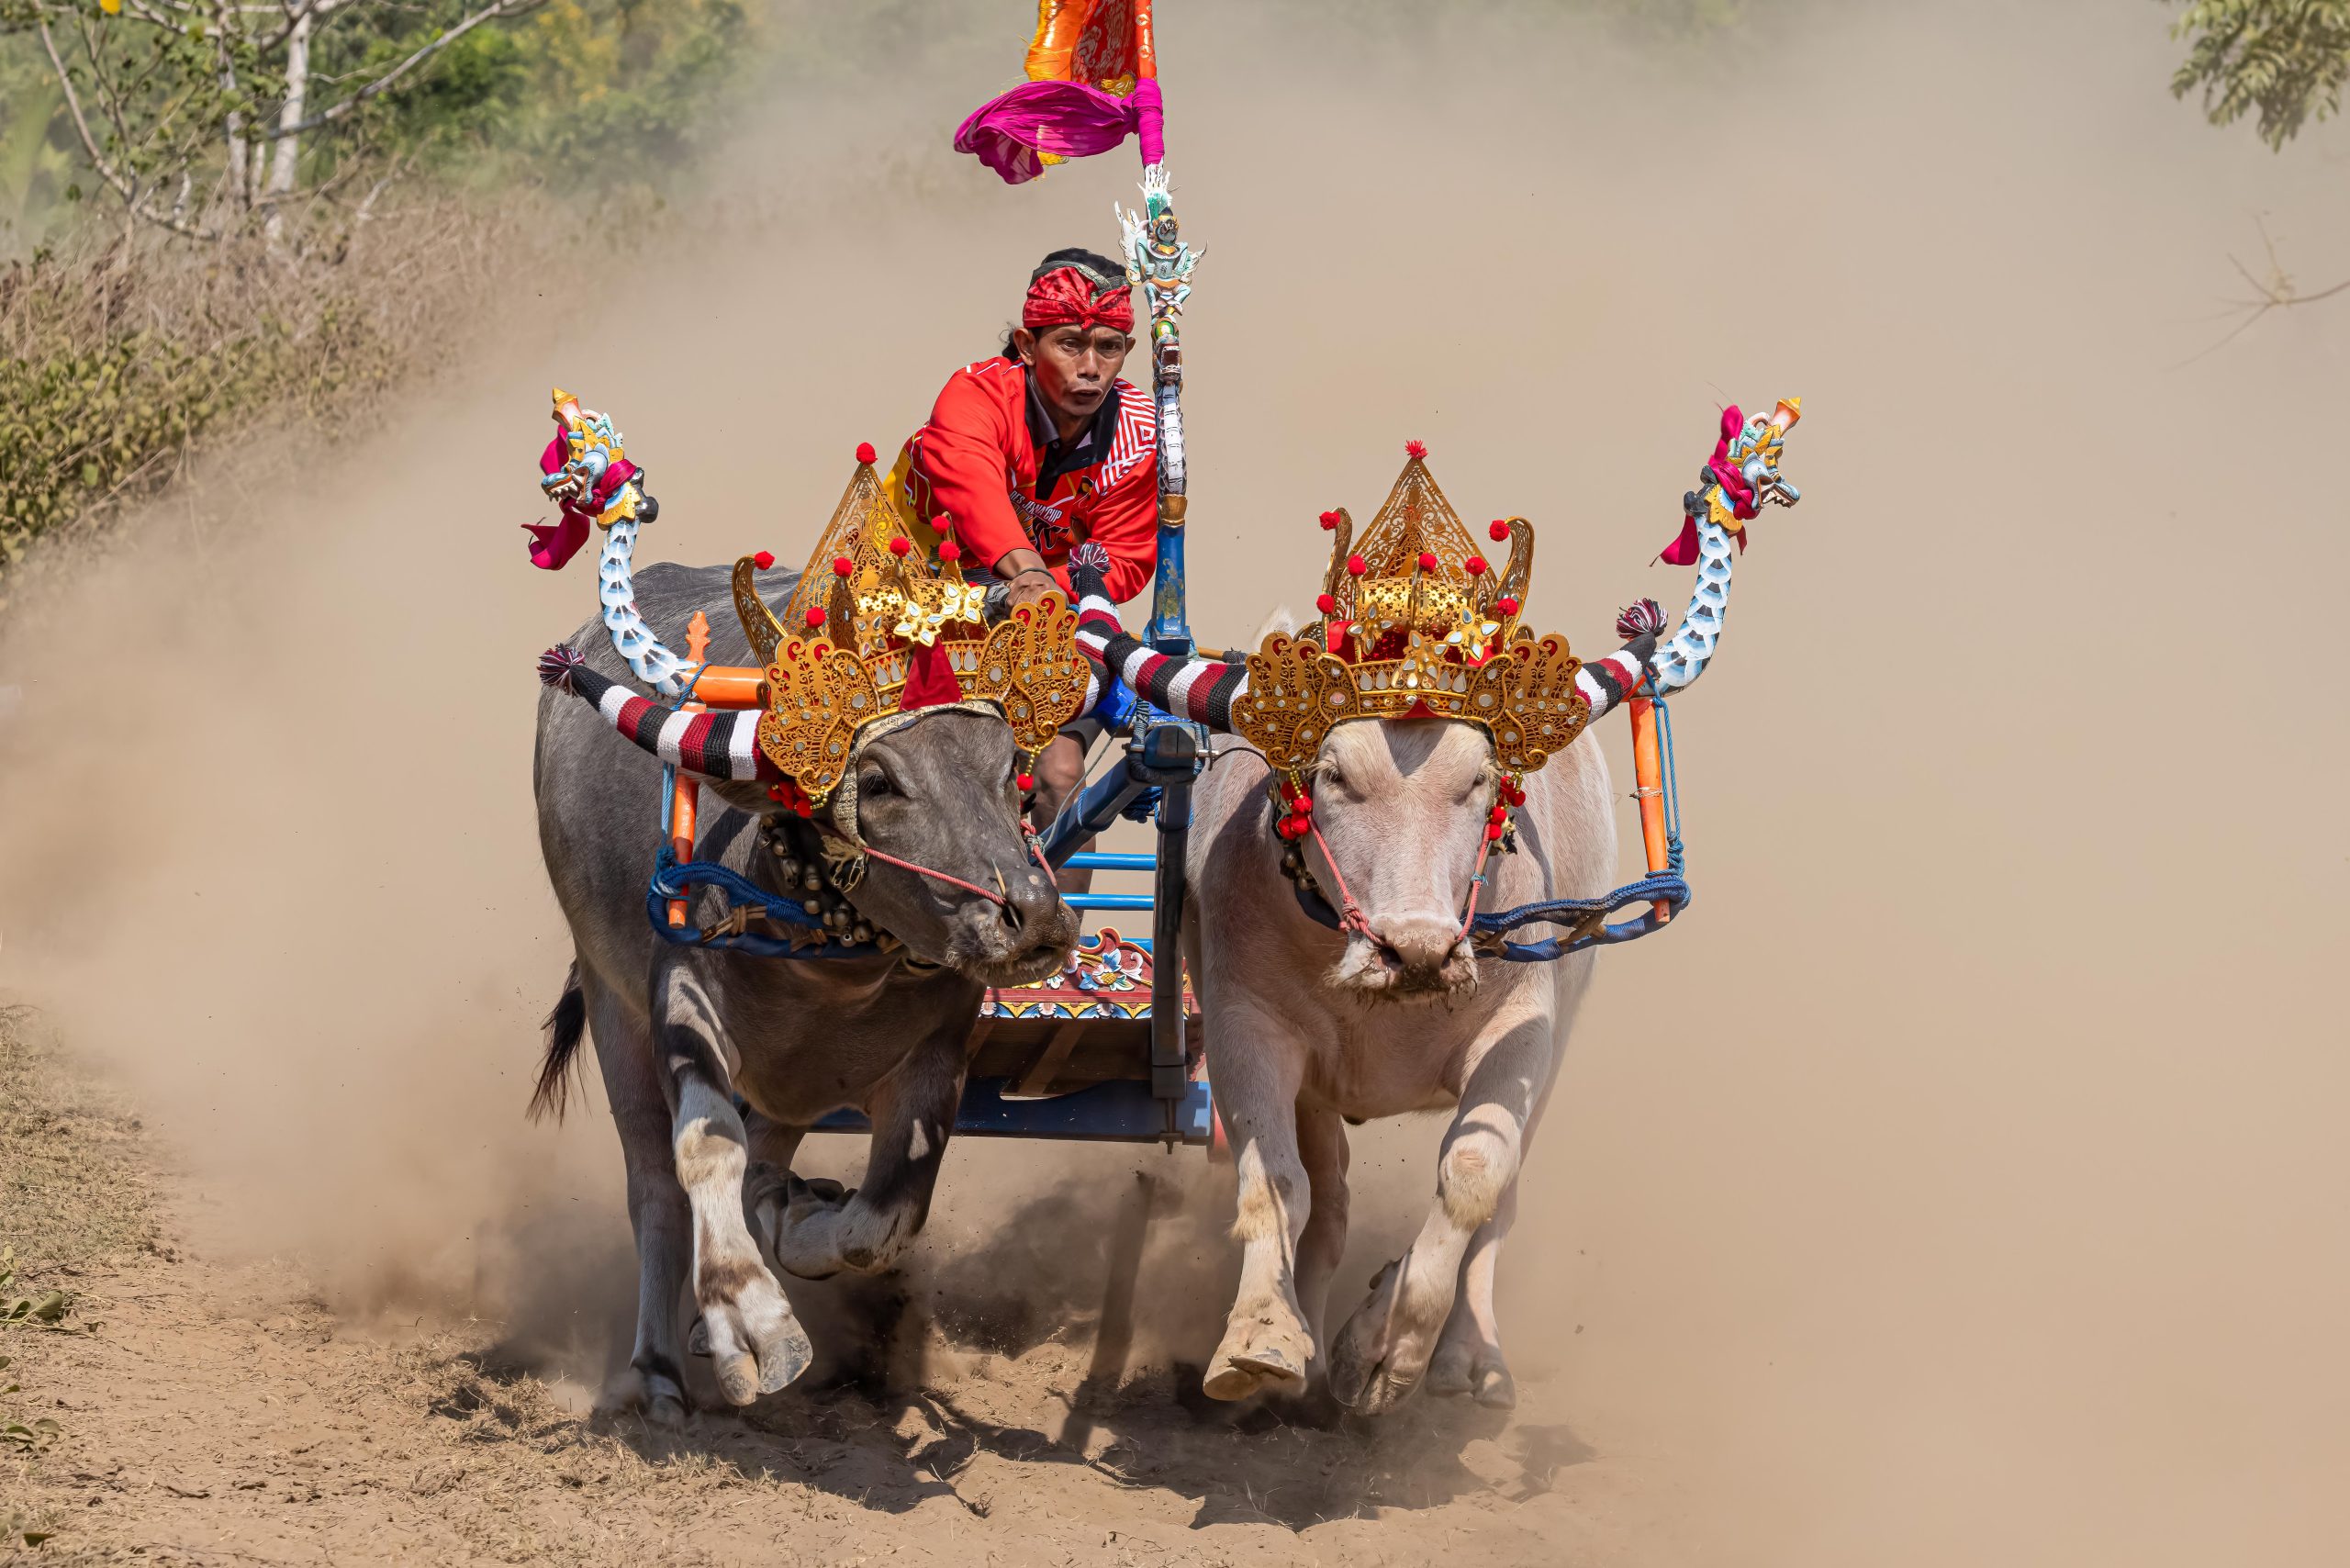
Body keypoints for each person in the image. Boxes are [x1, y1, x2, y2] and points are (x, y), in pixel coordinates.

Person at [882, 245, 1157, 857]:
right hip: (910, 600)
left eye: (1108, 347)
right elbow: (971, 485)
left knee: (1060, 775)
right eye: (1069, 344)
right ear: (1026, 345)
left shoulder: (1141, 433)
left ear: (1127, 355)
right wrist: (1026, 572)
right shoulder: (974, 394)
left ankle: (1061, 941)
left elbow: (1128, 555)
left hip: (1042, 617)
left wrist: (1046, 588)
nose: (1090, 367)